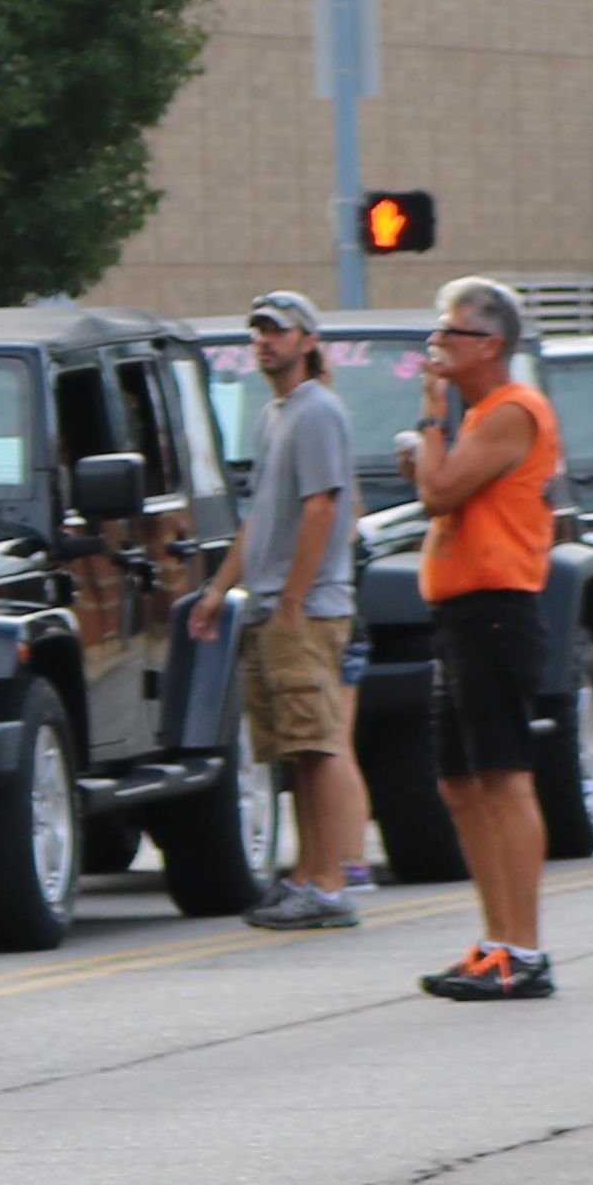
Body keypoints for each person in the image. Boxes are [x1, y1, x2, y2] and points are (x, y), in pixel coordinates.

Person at [403, 276, 565, 999]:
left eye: (451, 333)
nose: (438, 344)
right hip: (460, 613)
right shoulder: (479, 419)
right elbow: (437, 486)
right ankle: (495, 939)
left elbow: (436, 492)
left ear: (491, 345)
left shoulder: (512, 412)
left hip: (498, 608)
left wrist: (432, 421)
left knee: (502, 775)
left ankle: (523, 949)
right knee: (459, 783)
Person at [219, 293, 374, 929]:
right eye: (257, 331)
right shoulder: (274, 415)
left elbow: (324, 507)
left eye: (277, 332)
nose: (265, 342)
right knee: (295, 751)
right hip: (269, 607)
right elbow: (260, 517)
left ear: (308, 342)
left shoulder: (318, 411)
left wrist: (291, 597)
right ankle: (307, 874)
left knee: (321, 743)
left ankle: (334, 883)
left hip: (306, 610)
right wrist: (216, 591)